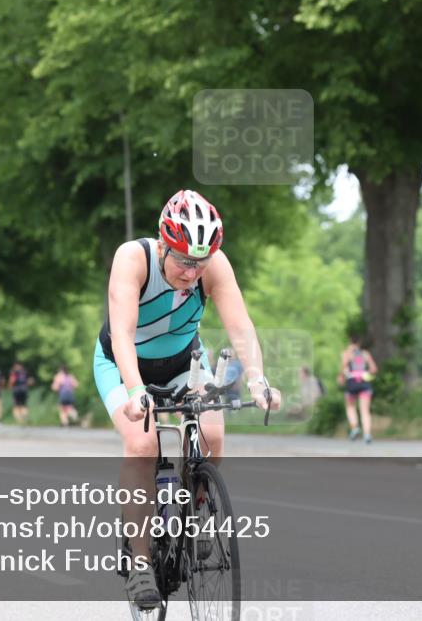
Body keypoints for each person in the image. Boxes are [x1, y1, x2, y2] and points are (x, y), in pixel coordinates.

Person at [92, 189, 281, 609]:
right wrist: (136, 391)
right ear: (163, 244)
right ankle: (141, 562)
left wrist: (257, 379)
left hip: (184, 362)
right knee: (143, 444)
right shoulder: (133, 258)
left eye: (200, 263)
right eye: (183, 261)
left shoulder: (214, 266)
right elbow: (122, 332)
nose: (192, 273)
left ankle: (195, 515)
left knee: (212, 433)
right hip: (122, 363)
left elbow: (241, 326)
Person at [339, 335, 378, 444]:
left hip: (351, 383)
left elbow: (343, 368)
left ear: (350, 342)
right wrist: (366, 374)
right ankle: (367, 434)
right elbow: (374, 369)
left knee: (350, 407)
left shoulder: (346, 354)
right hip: (364, 382)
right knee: (365, 410)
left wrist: (342, 377)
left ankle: (355, 427)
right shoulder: (365, 354)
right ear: (359, 343)